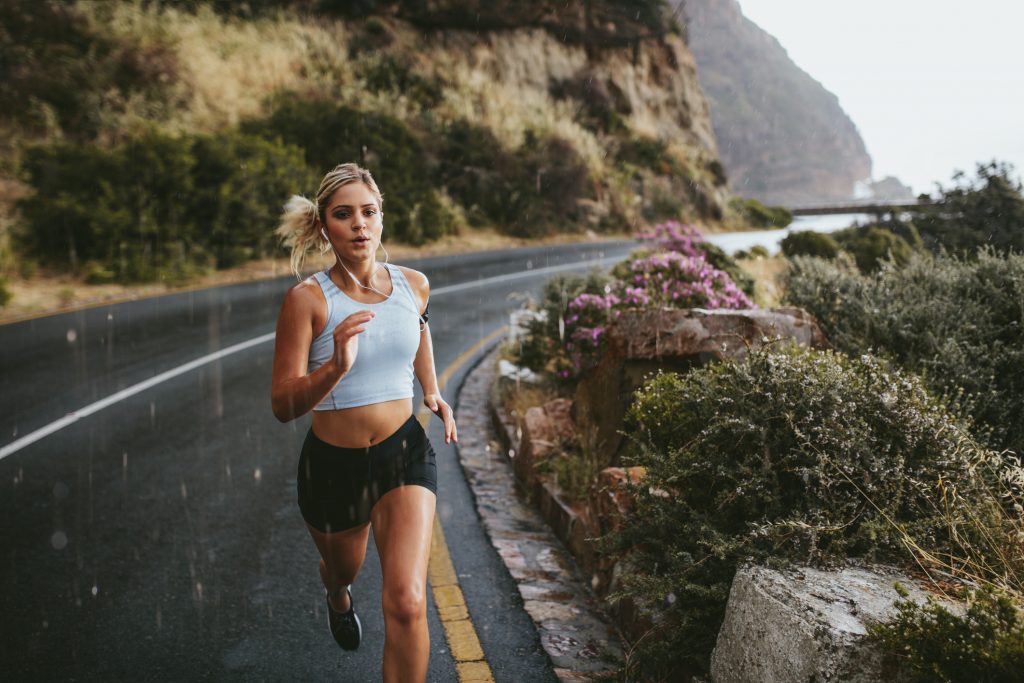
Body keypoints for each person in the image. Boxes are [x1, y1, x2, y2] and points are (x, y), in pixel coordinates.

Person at [270, 162, 456, 683]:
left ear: (381, 219)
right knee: (343, 568)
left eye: (368, 212)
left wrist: (433, 389)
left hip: (404, 453)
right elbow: (282, 404)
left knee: (407, 601)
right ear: (324, 226)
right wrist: (334, 368)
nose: (359, 224)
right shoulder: (307, 300)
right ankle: (336, 593)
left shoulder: (413, 285)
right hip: (333, 468)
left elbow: (418, 331)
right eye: (344, 214)